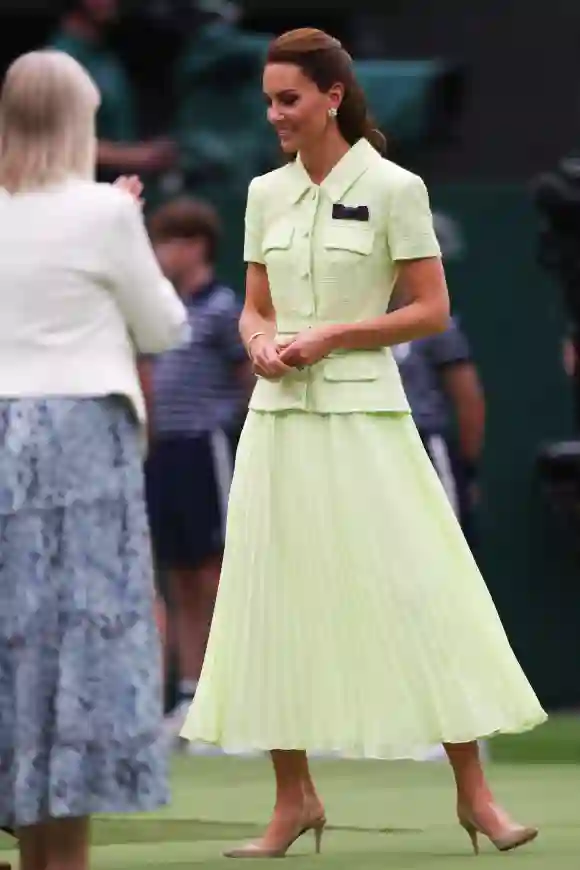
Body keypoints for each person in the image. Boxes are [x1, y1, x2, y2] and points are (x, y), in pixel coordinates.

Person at [180, 27, 546, 860]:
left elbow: (430, 311)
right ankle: (292, 802)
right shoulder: (263, 193)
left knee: (423, 589)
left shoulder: (395, 188)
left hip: (368, 419)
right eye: (268, 100)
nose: (275, 114)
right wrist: (257, 338)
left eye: (290, 99)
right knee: (276, 604)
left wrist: (335, 335)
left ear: (333, 96)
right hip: (278, 427)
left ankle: (476, 797)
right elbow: (254, 304)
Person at [0, 50, 187, 870]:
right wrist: (122, 221)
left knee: (15, 636)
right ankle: (61, 847)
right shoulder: (107, 215)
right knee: (82, 638)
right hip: (83, 436)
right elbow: (166, 327)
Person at [145, 198, 252, 744]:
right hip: (164, 452)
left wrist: (228, 427)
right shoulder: (159, 309)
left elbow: (248, 376)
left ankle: (230, 701)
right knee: (181, 579)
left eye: (167, 242)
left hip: (207, 450)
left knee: (215, 577)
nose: (159, 254)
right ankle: (190, 696)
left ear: (196, 247)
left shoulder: (222, 308)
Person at [49, 0, 176, 178]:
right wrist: (136, 156)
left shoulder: (106, 56)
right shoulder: (56, 62)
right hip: (78, 194)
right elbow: (48, 143)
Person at [392, 316, 485, 550]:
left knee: (445, 546)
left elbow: (468, 400)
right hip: (365, 446)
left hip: (424, 447)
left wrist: (467, 471)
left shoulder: (433, 321)